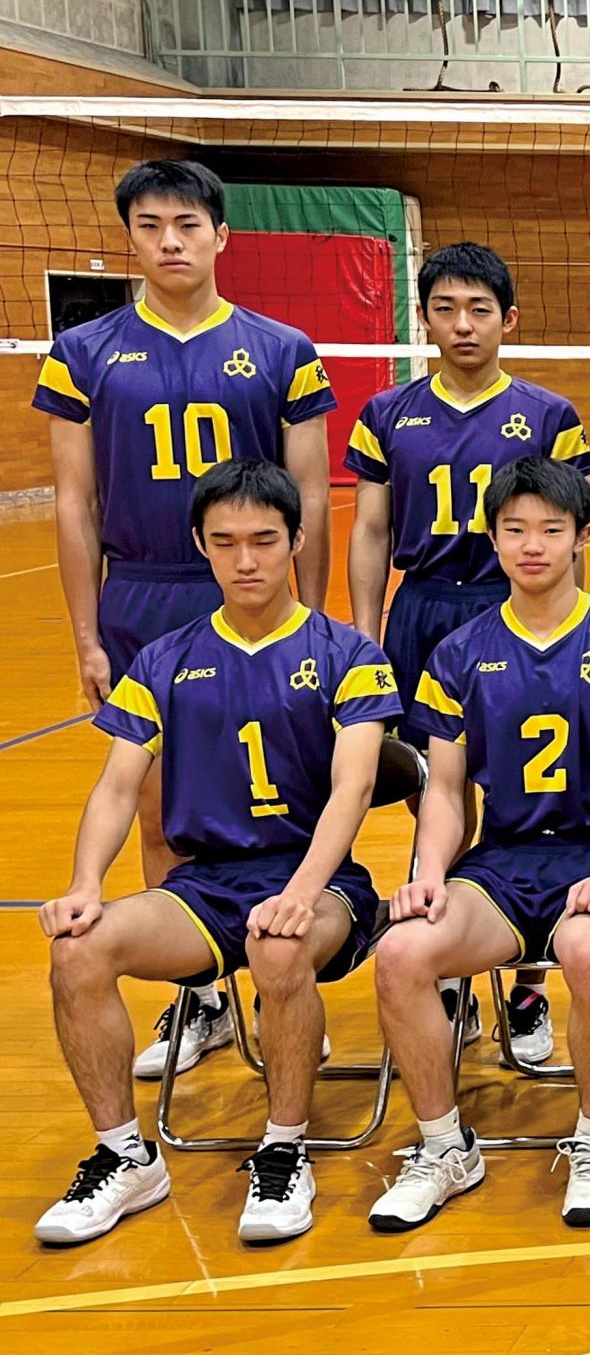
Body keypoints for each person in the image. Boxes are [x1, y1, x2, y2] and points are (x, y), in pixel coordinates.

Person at [35, 459, 398, 1245]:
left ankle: (284, 1149)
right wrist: (85, 883)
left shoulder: (348, 654)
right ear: (200, 545)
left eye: (263, 540)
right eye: (225, 542)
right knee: (77, 950)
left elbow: (355, 787)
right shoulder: (164, 660)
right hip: (206, 886)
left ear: (296, 540)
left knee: (278, 945)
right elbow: (116, 788)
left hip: (321, 882)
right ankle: (125, 1156)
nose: (246, 560)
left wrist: (301, 892)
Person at [36, 159, 340, 1081]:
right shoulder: (83, 352)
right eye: (150, 226)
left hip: (254, 590)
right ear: (129, 237)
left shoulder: (281, 348)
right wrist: (87, 634)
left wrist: (312, 620)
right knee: (159, 802)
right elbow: (75, 503)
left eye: (187, 224)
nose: (170, 242)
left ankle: (286, 982)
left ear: (221, 236)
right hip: (143, 591)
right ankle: (198, 991)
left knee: (288, 793)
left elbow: (311, 495)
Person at [367, 458, 590, 1233]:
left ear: (582, 536)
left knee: (585, 948)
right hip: (502, 863)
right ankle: (444, 1148)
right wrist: (430, 872)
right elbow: (446, 791)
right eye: (515, 530)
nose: (532, 545)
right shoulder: (459, 652)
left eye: (550, 529)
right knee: (401, 952)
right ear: (493, 538)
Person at [345, 240, 590, 1065]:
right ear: (423, 319)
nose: (462, 324)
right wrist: (366, 636)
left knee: (529, 791)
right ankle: (450, 961)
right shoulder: (388, 413)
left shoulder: (548, 416)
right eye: (445, 309)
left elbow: (570, 534)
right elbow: (371, 529)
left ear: (508, 319)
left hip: (515, 609)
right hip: (423, 610)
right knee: (436, 788)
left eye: (479, 309)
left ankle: (527, 985)